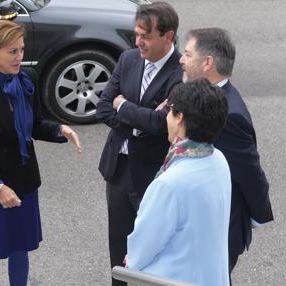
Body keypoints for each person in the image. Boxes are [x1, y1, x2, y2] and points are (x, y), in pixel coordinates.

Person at [0, 19, 82, 286]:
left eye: (21, 50)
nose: (19, 57)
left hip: (24, 181)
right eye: (12, 51)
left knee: (20, 247)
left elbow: (34, 125)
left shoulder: (28, 80)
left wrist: (60, 129)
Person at [94, 2, 182, 285]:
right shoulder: (128, 59)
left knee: (154, 249)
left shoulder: (180, 73)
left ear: (168, 36)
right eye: (136, 34)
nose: (138, 42)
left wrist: (124, 106)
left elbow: (162, 125)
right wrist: (138, 120)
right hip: (119, 170)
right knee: (118, 247)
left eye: (145, 36)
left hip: (153, 176)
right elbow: (104, 108)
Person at [179, 27, 274, 275]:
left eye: (188, 54)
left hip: (216, 231)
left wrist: (257, 216)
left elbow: (249, 171)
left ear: (207, 62)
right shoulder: (209, 97)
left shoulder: (229, 115)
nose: (181, 59)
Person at [127, 79, 231, 286]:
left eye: (169, 110)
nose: (166, 116)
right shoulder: (218, 159)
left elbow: (142, 247)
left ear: (180, 117)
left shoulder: (169, 183)